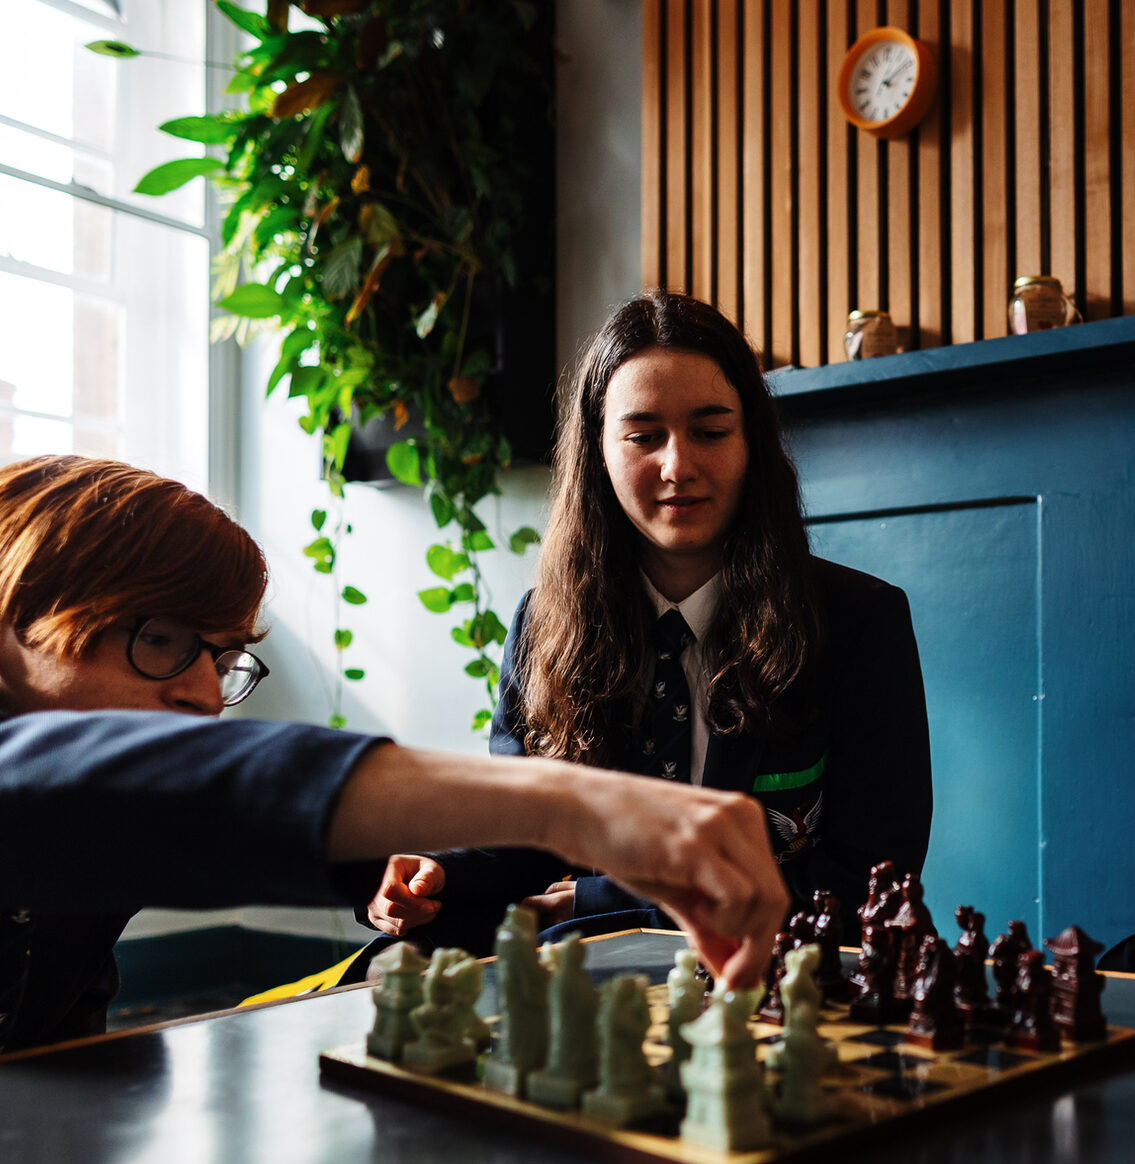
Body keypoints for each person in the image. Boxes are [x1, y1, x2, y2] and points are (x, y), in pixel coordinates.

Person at [0, 455, 788, 1053]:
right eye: (163, 641)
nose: (205, 695)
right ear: (22, 611)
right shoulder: (62, 779)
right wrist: (579, 806)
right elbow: (70, 783)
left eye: (220, 655)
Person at [360, 291, 931, 953]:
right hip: (586, 967)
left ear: (752, 443)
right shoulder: (543, 624)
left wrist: (605, 897)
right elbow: (527, 840)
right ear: (598, 452)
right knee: (388, 968)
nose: (678, 467)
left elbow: (867, 883)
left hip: (770, 971)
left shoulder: (861, 623)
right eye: (643, 436)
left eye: (711, 432)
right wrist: (438, 875)